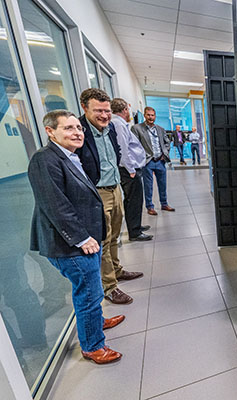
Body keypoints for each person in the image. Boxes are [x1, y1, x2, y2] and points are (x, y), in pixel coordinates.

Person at [28, 110, 124, 364]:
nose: (77, 133)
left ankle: (96, 322)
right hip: (70, 244)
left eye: (78, 128)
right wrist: (82, 239)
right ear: (50, 131)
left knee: (91, 290)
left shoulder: (69, 156)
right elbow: (55, 205)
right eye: (69, 128)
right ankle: (93, 347)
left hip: (85, 238)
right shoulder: (44, 160)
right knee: (88, 294)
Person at [75, 89, 143, 305]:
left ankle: (116, 269)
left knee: (114, 235)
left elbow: (117, 155)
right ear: (85, 108)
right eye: (98, 111)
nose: (104, 115)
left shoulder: (111, 129)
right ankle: (109, 286)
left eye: (107, 110)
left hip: (114, 188)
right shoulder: (78, 131)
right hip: (97, 193)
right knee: (103, 239)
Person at [110, 98, 153, 242]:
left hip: (130, 169)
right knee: (133, 200)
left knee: (135, 199)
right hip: (128, 170)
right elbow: (122, 149)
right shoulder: (119, 125)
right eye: (128, 109)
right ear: (124, 110)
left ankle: (136, 226)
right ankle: (134, 232)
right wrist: (130, 169)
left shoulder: (120, 124)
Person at [131, 107, 176, 216]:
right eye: (148, 115)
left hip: (160, 160)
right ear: (145, 116)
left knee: (162, 184)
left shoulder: (160, 129)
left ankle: (164, 203)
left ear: (155, 116)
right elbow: (134, 145)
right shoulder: (137, 128)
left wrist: (165, 154)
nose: (150, 117)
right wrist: (142, 157)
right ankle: (150, 206)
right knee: (148, 185)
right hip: (148, 161)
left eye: (152, 115)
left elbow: (167, 142)